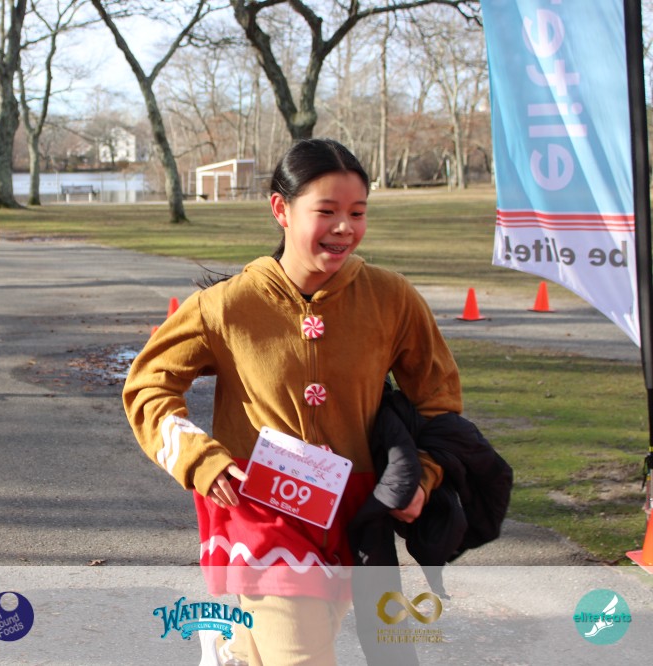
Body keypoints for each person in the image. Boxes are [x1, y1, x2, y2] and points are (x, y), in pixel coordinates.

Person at [122, 138, 462, 665]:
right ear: (281, 209)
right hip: (262, 514)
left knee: (294, 641)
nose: (344, 227)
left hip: (355, 515)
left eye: (357, 213)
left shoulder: (392, 299)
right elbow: (148, 386)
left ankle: (233, 644)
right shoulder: (225, 306)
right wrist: (199, 459)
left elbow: (438, 399)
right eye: (326, 211)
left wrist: (423, 475)